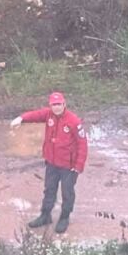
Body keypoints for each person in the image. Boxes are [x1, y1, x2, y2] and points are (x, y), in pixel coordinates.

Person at [10, 92, 87, 234]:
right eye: (53, 105)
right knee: (49, 190)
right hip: (52, 163)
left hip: (69, 166)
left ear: (64, 104)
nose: (56, 107)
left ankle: (64, 217)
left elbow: (82, 145)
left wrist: (78, 166)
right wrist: (21, 118)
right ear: (50, 106)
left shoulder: (74, 121)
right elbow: (35, 115)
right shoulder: (48, 115)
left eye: (59, 104)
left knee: (67, 192)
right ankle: (45, 216)